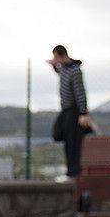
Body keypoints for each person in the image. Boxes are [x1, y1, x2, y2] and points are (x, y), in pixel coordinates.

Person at [47, 44, 92, 182]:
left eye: (55, 57)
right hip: (65, 110)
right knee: (58, 133)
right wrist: (53, 65)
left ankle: (72, 173)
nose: (55, 60)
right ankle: (70, 172)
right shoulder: (64, 69)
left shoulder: (75, 71)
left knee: (72, 142)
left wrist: (83, 113)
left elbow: (80, 92)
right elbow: (58, 71)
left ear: (62, 55)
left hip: (74, 110)